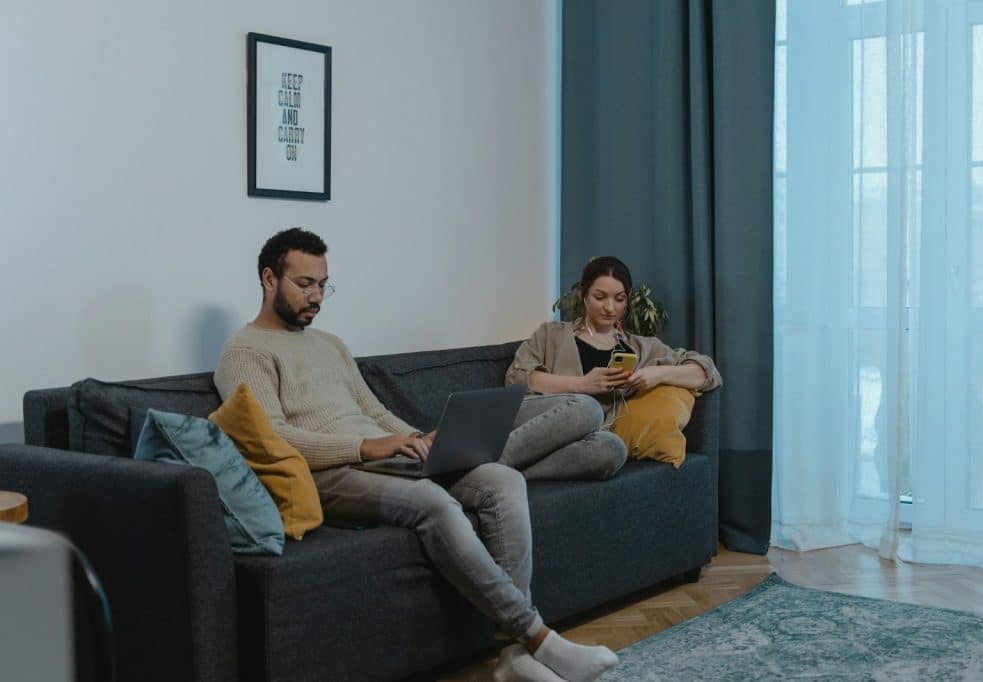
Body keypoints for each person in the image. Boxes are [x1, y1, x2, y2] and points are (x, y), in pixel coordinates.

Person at [214, 228, 618, 682]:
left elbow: (373, 410)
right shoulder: (244, 352)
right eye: (304, 284)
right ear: (269, 279)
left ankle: (513, 659)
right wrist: (365, 446)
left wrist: (420, 440)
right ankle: (539, 639)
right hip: (329, 472)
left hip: (385, 457)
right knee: (433, 502)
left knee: (502, 480)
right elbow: (276, 438)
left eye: (323, 284)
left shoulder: (330, 345)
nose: (317, 297)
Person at [507, 256, 722, 428]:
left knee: (611, 449)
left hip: (594, 438)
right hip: (553, 424)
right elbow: (517, 378)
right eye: (600, 297)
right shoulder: (551, 334)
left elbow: (708, 373)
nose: (610, 308)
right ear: (583, 295)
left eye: (619, 299)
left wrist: (659, 374)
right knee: (587, 409)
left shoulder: (641, 347)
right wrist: (583, 385)